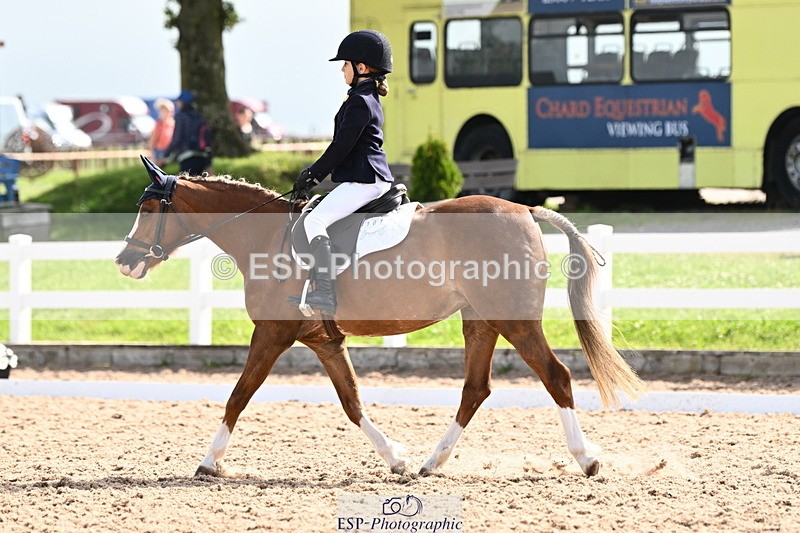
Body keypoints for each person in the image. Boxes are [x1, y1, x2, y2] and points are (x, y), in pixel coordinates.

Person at [287, 29, 395, 315]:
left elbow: (341, 147)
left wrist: (312, 175)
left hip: (366, 179)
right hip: (367, 178)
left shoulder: (360, 101)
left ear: (361, 68)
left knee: (316, 221)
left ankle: (324, 292)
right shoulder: (364, 96)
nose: (342, 70)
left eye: (344, 65)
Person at [160, 90, 212, 175]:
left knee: (187, 186)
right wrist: (208, 163)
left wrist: (165, 155)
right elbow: (207, 140)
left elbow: (177, 139)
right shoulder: (199, 117)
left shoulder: (181, 116)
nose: (177, 103)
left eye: (179, 101)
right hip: (202, 157)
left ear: (183, 102)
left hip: (187, 157)